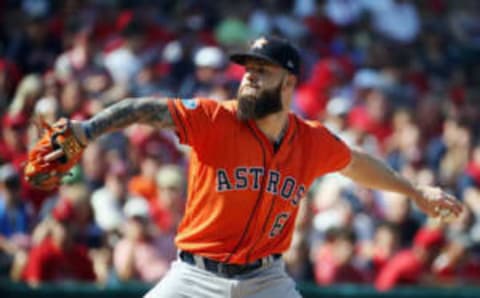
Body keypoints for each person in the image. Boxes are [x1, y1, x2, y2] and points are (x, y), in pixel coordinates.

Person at [44, 36, 462, 298]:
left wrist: (415, 192)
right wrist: (87, 128)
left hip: (267, 282)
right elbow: (143, 109)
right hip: (195, 279)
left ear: (289, 82)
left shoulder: (311, 139)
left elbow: (357, 164)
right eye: (247, 70)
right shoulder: (214, 118)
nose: (249, 78)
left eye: (262, 71)